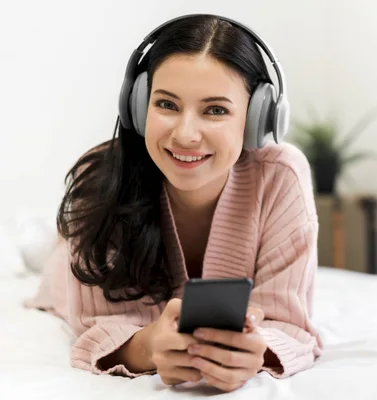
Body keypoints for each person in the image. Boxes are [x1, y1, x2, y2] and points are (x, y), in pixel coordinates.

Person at [25, 13, 323, 393]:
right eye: (166, 104)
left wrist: (255, 351)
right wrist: (146, 347)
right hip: (62, 276)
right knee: (47, 264)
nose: (185, 134)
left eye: (215, 110)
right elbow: (95, 325)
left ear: (257, 117)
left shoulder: (282, 176)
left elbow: (289, 323)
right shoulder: (101, 183)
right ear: (138, 106)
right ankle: (46, 245)